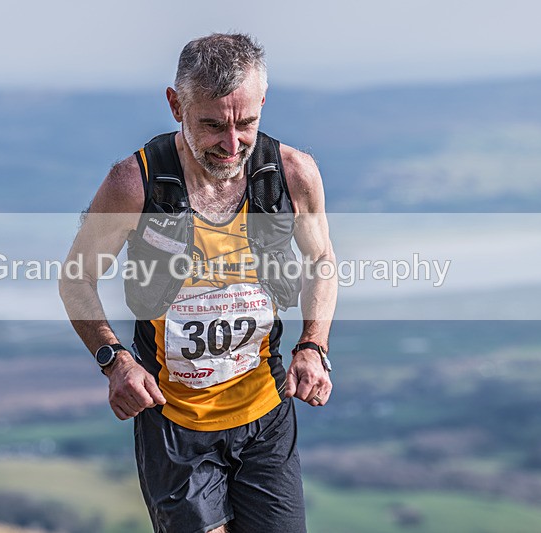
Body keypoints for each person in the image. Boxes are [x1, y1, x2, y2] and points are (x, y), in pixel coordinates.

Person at [60, 33, 337, 533]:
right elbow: (76, 279)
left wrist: (313, 345)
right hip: (175, 423)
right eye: (212, 125)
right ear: (175, 105)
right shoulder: (134, 183)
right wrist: (114, 360)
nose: (232, 145)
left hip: (265, 414)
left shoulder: (293, 173)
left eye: (247, 123)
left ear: (263, 103)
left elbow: (322, 260)